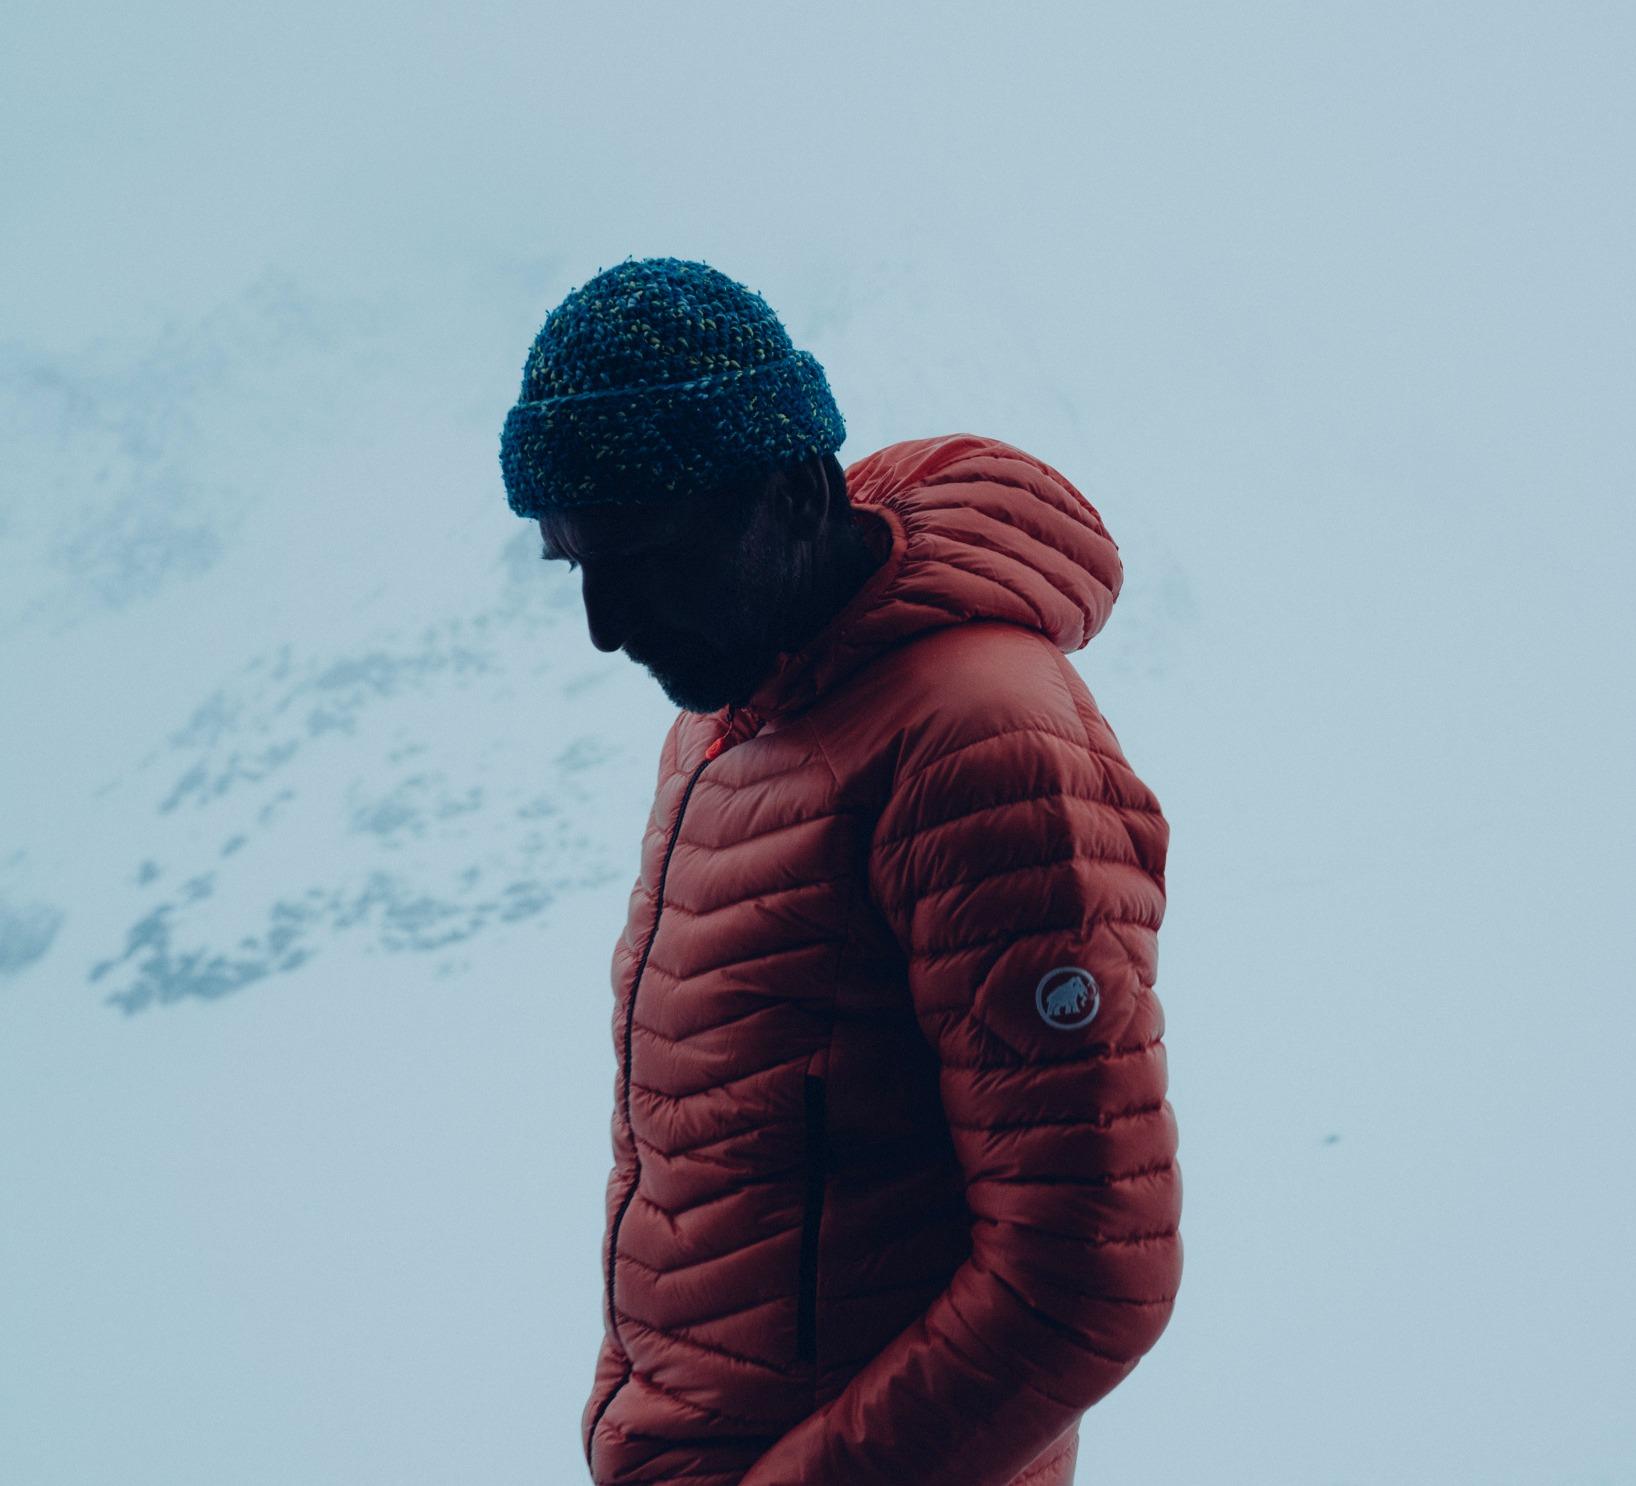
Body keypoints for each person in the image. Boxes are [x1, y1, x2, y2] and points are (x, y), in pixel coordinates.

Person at [499, 256, 1182, 1486]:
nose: (603, 623)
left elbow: (1089, 1265)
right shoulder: (726, 721)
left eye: (642, 555)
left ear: (797, 496)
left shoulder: (980, 744)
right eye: (571, 563)